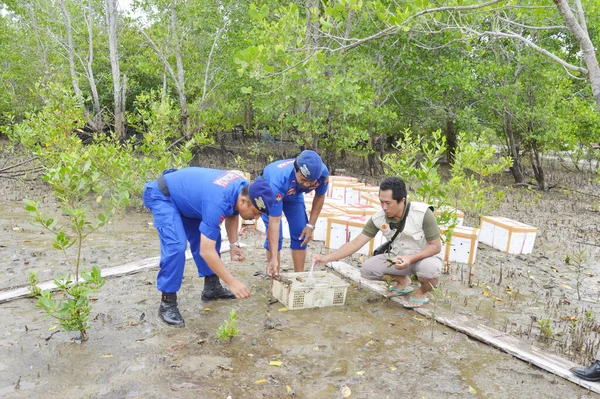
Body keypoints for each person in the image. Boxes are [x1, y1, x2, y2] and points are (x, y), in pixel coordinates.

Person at [143, 168, 274, 327]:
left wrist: (234, 245)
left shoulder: (244, 189)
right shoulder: (218, 201)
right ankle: (167, 303)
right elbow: (206, 251)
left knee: (211, 235)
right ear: (244, 201)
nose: (256, 217)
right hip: (164, 196)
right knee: (176, 246)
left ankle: (212, 288)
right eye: (255, 212)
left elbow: (233, 213)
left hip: (189, 200)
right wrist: (232, 282)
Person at [313, 176, 442, 308]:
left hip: (423, 258)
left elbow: (436, 246)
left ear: (402, 200)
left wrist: (411, 258)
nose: (384, 207)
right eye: (381, 202)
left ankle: (421, 292)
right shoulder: (379, 218)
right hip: (397, 258)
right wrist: (327, 258)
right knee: (367, 270)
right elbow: (355, 243)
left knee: (430, 271)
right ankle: (403, 282)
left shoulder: (422, 213)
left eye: (388, 203)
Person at [261, 150, 329, 277]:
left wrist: (311, 225)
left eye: (311, 182)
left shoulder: (322, 174)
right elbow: (274, 222)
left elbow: (320, 196)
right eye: (303, 180)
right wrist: (274, 258)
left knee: (300, 232)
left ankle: (299, 277)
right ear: (296, 170)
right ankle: (275, 275)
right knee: (277, 236)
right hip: (270, 191)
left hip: (293, 193)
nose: (307, 185)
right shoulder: (279, 180)